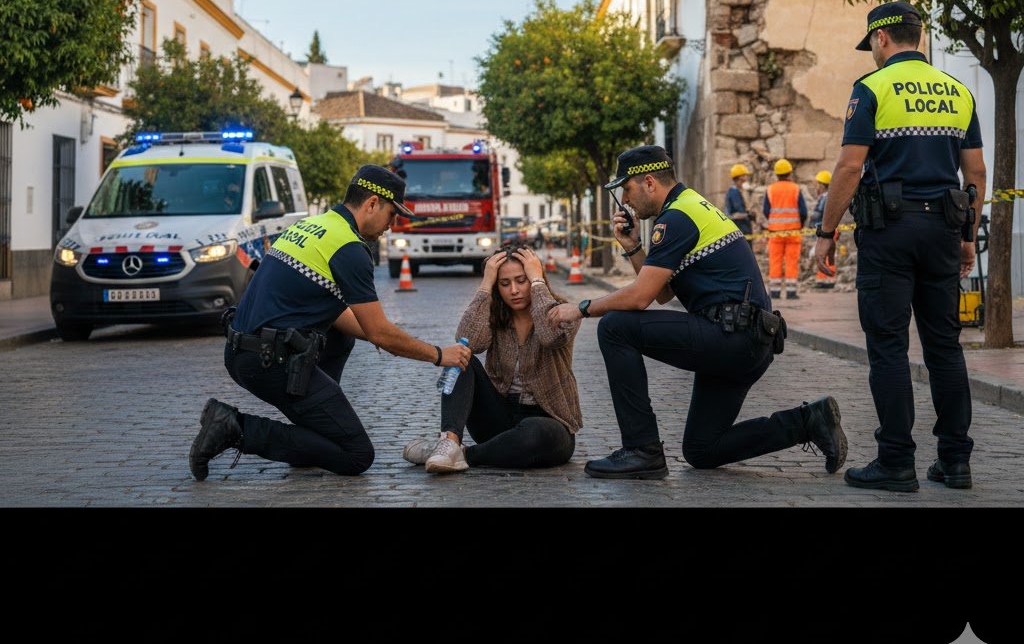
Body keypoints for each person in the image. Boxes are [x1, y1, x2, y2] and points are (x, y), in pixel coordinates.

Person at [547, 145, 847, 480]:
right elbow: (662, 293)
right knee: (702, 449)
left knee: (615, 326)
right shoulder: (687, 206)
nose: (625, 200)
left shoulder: (676, 217)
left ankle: (641, 450)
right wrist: (633, 245)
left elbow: (641, 298)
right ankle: (808, 421)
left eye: (626, 189)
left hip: (732, 336)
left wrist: (581, 308)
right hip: (747, 338)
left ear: (648, 182)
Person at [187, 164, 472, 480]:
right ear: (372, 203)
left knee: (341, 338)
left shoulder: (312, 226)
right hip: (270, 362)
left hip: (242, 351)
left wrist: (379, 334)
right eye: (392, 214)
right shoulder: (349, 248)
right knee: (356, 455)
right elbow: (379, 333)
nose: (392, 225)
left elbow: (340, 316)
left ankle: (311, 436)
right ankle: (234, 427)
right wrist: (438, 354)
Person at [814, 1, 985, 493]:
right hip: (942, 232)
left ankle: (896, 462)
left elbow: (849, 168)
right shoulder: (957, 90)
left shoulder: (871, 88)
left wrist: (825, 234)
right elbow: (974, 172)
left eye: (871, 45)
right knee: (944, 348)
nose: (871, 53)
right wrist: (968, 236)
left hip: (889, 232)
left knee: (888, 348)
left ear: (882, 39)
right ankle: (955, 462)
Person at [403, 244, 582, 473]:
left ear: (534, 278)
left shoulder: (563, 311)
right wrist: (485, 285)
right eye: (505, 284)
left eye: (522, 280)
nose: (514, 290)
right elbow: (468, 340)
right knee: (460, 358)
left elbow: (550, 336)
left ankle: (463, 454)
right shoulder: (496, 316)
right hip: (499, 419)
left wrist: (538, 282)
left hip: (550, 424)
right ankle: (449, 441)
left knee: (533, 433)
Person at [763, 158, 807, 300]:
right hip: (793, 231)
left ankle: (775, 292)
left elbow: (766, 210)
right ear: (789, 173)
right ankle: (791, 292)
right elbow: (803, 211)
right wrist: (800, 224)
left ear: (776, 174)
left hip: (775, 232)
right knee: (792, 260)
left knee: (775, 260)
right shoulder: (796, 188)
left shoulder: (770, 189)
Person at [809, 170, 836, 289]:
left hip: (825, 231)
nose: (816, 187)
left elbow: (819, 214)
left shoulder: (825, 198)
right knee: (824, 255)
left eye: (818, 184)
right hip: (824, 230)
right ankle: (824, 280)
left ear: (822, 185)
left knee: (823, 254)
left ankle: (828, 279)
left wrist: (812, 216)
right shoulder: (825, 197)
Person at [724, 163, 756, 238]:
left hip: (745, 228)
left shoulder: (740, 191)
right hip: (740, 228)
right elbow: (737, 212)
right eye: (744, 175)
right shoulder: (734, 192)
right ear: (739, 177)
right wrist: (748, 215)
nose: (746, 178)